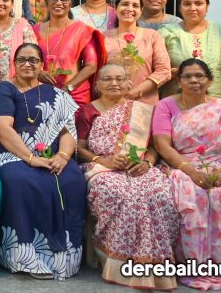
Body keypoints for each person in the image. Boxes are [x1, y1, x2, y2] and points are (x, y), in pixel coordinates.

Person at [152, 59, 221, 291]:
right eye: (188, 76)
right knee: (193, 196)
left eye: (200, 76)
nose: (194, 80)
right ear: (179, 81)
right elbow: (162, 146)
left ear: (209, 80)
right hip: (182, 166)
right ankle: (195, 263)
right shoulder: (166, 106)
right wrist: (191, 171)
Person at [0, 43, 87, 280]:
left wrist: (62, 156)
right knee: (20, 180)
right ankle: (26, 257)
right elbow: (1, 127)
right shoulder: (5, 89)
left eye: (33, 60)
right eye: (21, 60)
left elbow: (68, 132)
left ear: (42, 64)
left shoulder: (56, 94)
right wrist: (31, 158)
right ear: (14, 63)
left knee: (72, 179)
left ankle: (64, 258)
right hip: (11, 154)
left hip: (52, 155)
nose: (27, 64)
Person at [74, 64, 177, 291]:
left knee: (158, 192)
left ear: (129, 83)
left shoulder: (143, 110)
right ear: (97, 84)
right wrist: (103, 160)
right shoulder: (86, 111)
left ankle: (155, 263)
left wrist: (147, 162)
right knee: (121, 193)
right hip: (100, 167)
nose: (114, 83)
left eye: (120, 79)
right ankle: (118, 261)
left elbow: (154, 147)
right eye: (108, 79)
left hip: (139, 166)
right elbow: (79, 148)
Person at [34, 0, 105, 105]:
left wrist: (68, 88)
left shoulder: (81, 30)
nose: (58, 3)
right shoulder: (34, 31)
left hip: (75, 95)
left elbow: (91, 66)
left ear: (70, 3)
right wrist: (38, 72)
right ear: (47, 2)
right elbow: (26, 60)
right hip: (42, 94)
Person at [158, 0, 221, 98]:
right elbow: (154, 67)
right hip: (177, 101)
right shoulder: (166, 32)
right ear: (180, 8)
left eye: (198, 3)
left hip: (217, 101)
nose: (193, 8)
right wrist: (170, 72)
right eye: (187, 4)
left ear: (207, 6)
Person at [102, 0, 171, 105]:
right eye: (125, 4)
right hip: (111, 103)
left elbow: (164, 71)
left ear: (141, 10)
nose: (129, 9)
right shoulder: (103, 37)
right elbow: (97, 72)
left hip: (145, 104)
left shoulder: (152, 36)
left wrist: (135, 92)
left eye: (135, 6)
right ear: (115, 8)